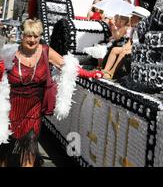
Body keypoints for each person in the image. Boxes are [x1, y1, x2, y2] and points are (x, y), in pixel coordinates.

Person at [0, 19, 102, 167]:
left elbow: (67, 66)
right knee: (4, 149)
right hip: (10, 107)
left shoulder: (46, 51)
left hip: (33, 108)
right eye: (29, 35)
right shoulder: (10, 52)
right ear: (22, 35)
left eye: (36, 36)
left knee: (30, 145)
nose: (32, 40)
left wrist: (90, 74)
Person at [102, 7, 150, 80]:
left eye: (134, 17)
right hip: (133, 47)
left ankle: (111, 72)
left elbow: (142, 44)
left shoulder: (145, 30)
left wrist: (129, 48)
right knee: (115, 49)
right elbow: (130, 41)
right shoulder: (134, 29)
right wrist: (126, 46)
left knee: (124, 52)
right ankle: (105, 70)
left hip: (140, 49)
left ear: (140, 19)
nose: (131, 18)